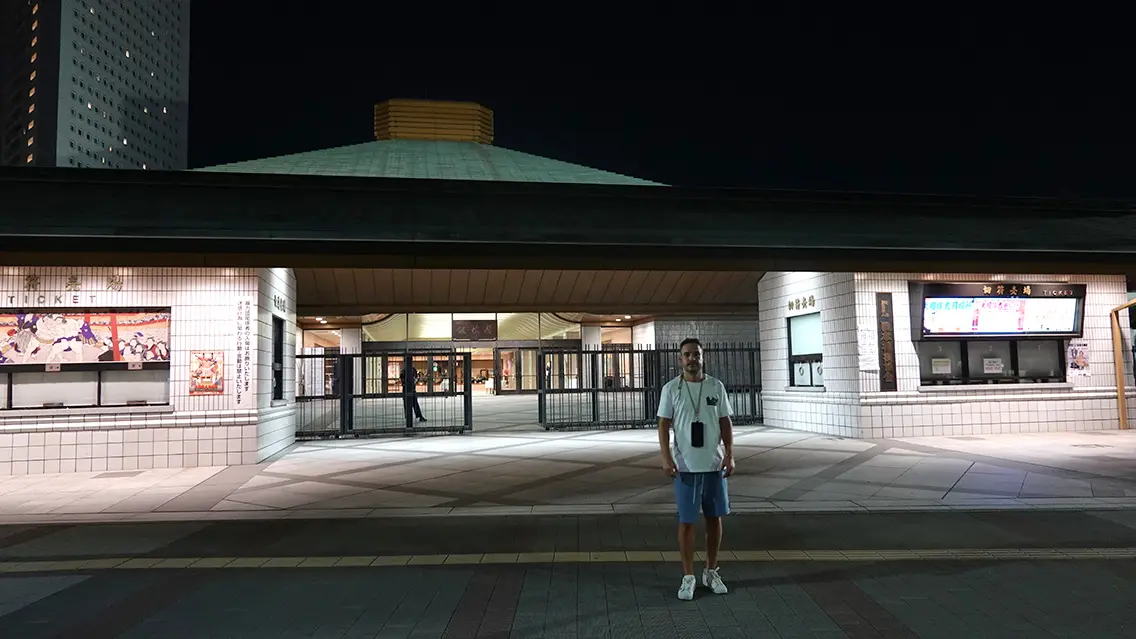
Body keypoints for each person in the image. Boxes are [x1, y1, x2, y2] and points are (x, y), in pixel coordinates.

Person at [657, 337, 734, 601]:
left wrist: (730, 455)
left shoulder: (716, 386)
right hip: (685, 467)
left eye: (696, 355)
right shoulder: (671, 389)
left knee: (714, 519)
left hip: (714, 465)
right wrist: (666, 458)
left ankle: (711, 571)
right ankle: (688, 576)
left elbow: (725, 423)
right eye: (687, 355)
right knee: (687, 521)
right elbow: (663, 425)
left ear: (703, 357)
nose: (692, 359)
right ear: (681, 359)